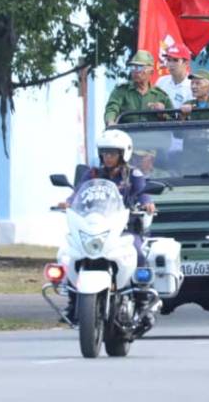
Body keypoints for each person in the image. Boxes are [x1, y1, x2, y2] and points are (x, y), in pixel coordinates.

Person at [58, 130, 154, 320]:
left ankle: (143, 301)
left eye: (113, 153)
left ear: (123, 154)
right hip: (95, 227)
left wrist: (147, 203)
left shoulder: (133, 174)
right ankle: (73, 301)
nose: (108, 157)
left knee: (137, 251)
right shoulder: (92, 173)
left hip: (124, 228)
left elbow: (143, 192)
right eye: (105, 153)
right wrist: (68, 201)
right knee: (71, 253)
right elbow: (78, 192)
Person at [104, 50, 173, 125]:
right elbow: (112, 109)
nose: (135, 71)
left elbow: (175, 123)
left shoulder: (161, 96)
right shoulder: (121, 91)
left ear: (151, 72)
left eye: (140, 67)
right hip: (127, 135)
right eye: (133, 67)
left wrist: (162, 114)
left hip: (153, 136)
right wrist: (110, 122)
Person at [155, 42, 194, 110]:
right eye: (168, 60)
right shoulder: (161, 82)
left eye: (175, 60)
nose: (171, 64)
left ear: (186, 63)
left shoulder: (193, 85)